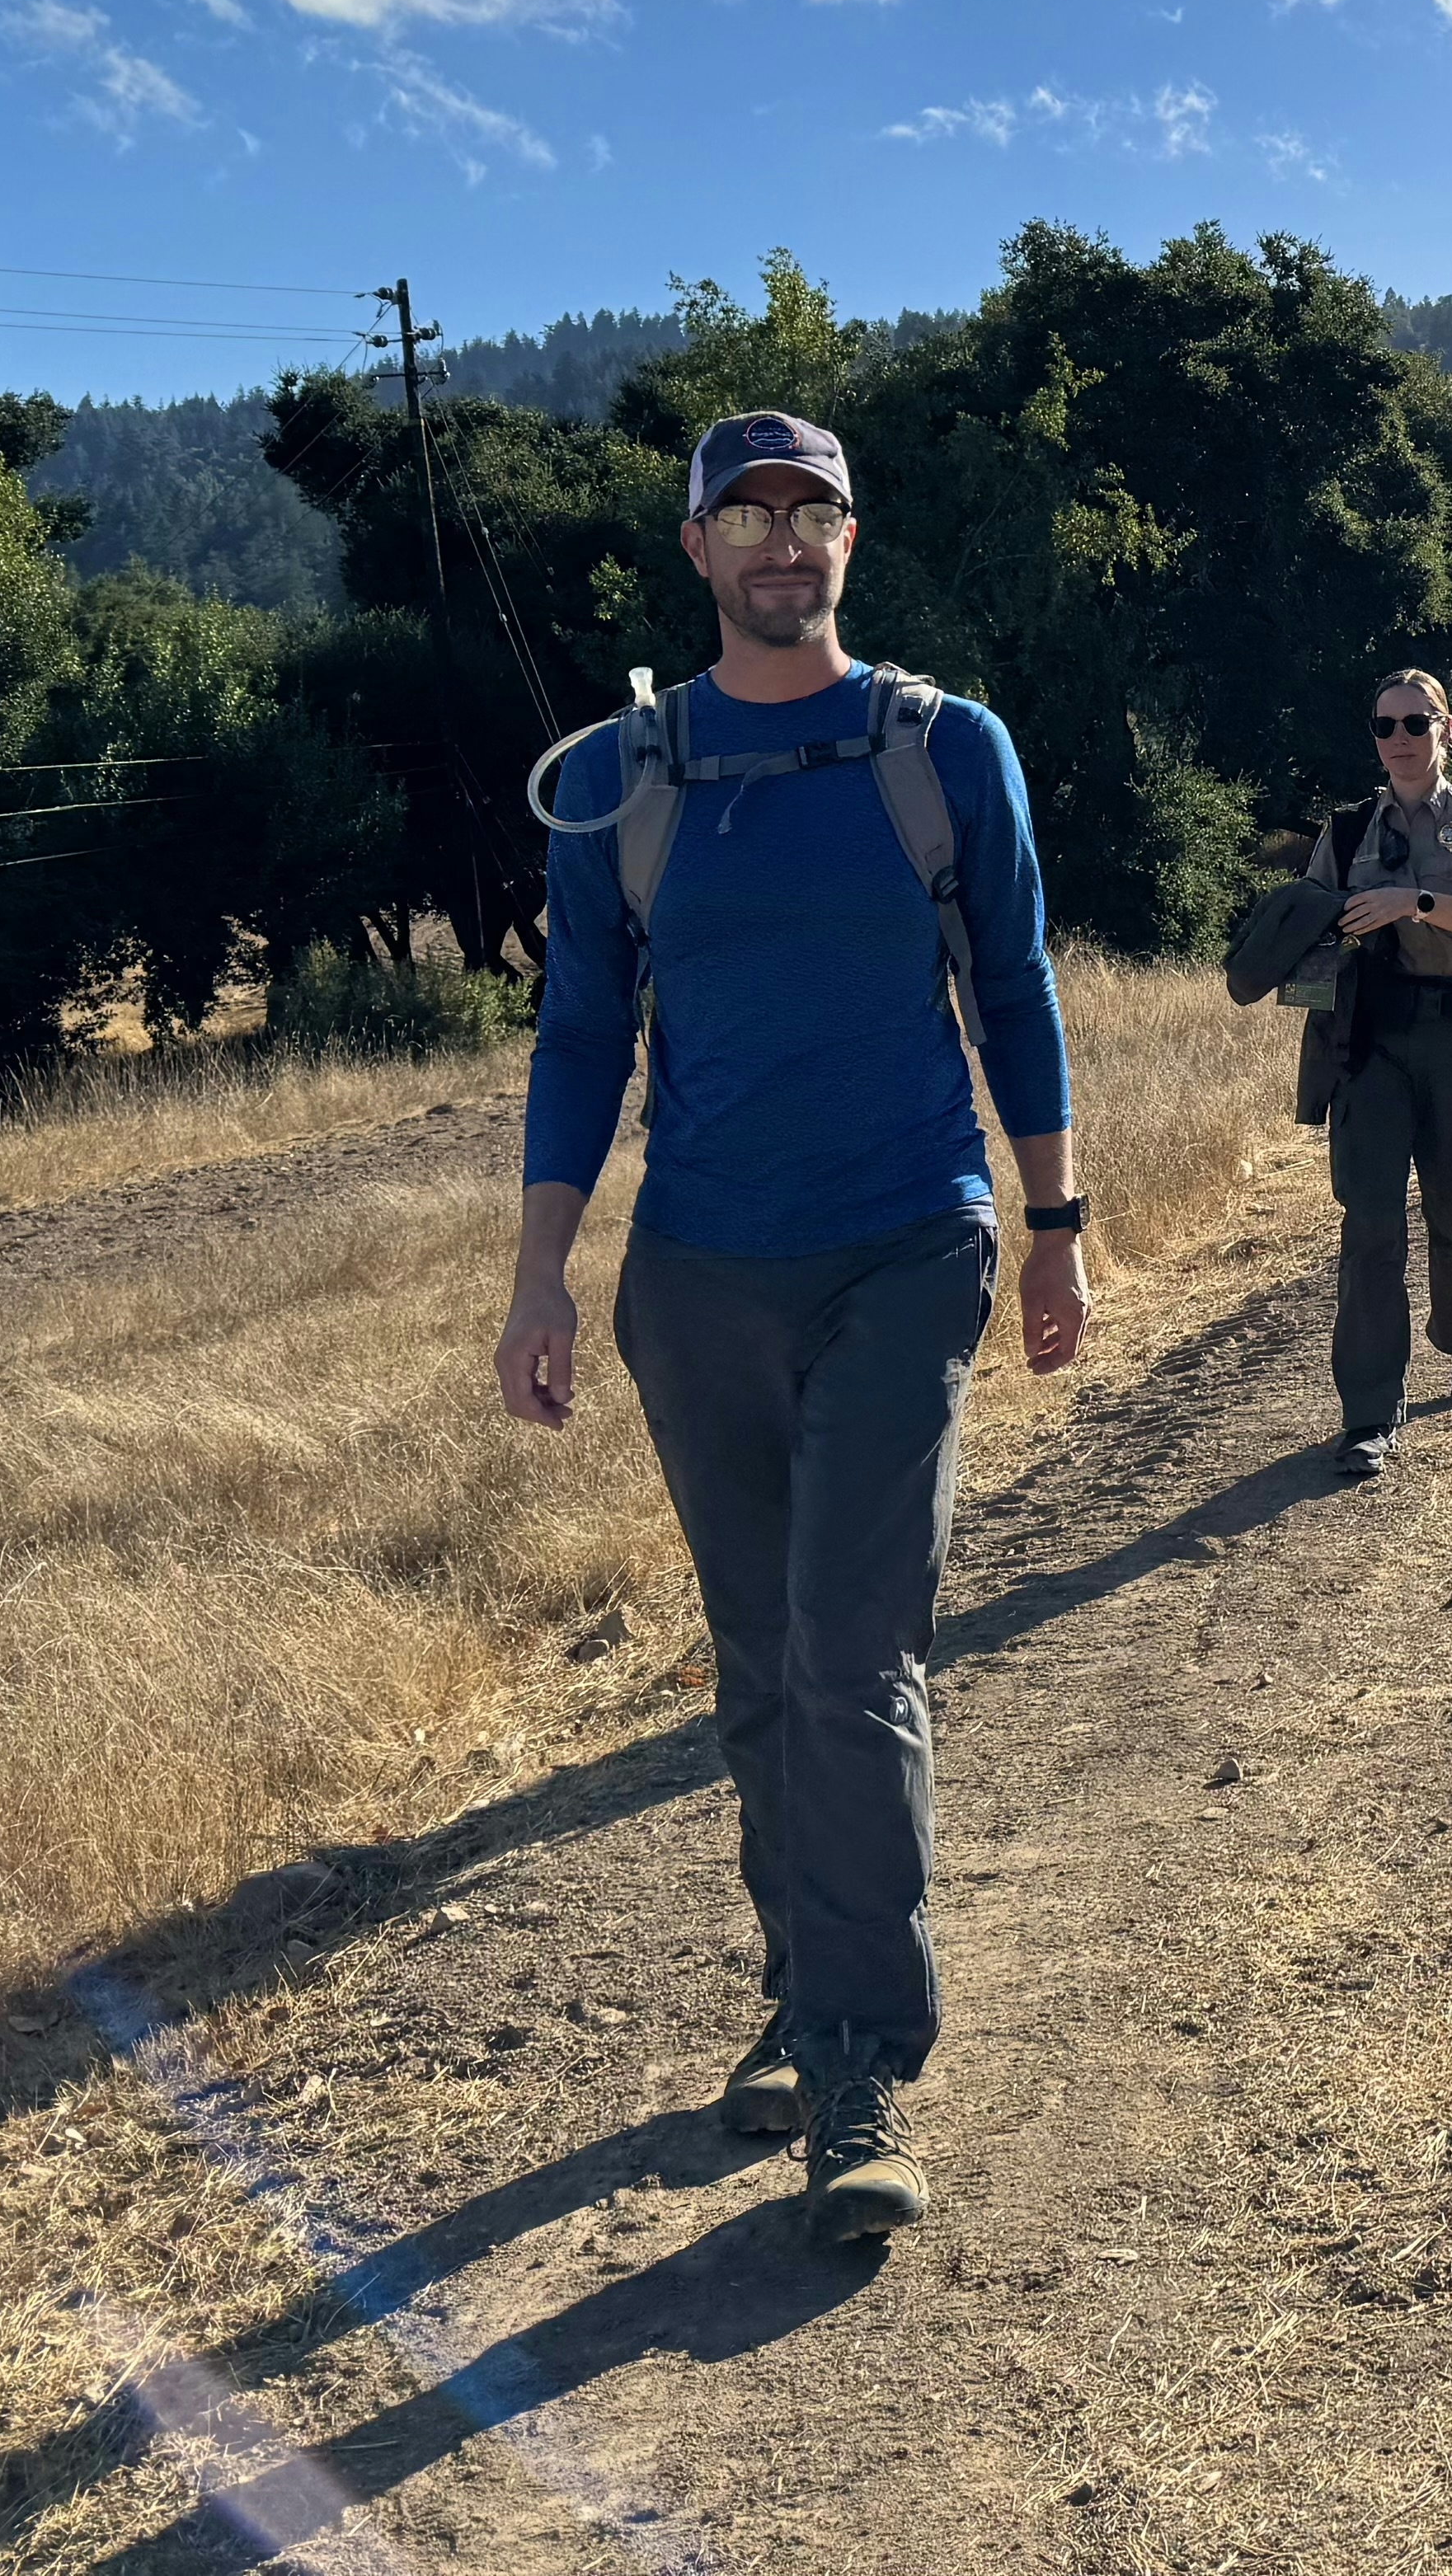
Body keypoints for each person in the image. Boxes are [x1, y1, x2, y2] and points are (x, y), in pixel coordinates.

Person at [493, 408, 1087, 2245]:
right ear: (694, 549)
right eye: (743, 513)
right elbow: (583, 1036)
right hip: (698, 1273)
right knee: (759, 1665)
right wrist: (542, 1276)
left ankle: (860, 2065)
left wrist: (1054, 1224)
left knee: (850, 1654)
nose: (778, 541)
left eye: (808, 510)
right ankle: (799, 1976)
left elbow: (1015, 985)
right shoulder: (619, 777)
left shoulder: (942, 749)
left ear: (851, 538)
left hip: (909, 1245)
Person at [1313, 667, 1452, 1477]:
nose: (1400, 739)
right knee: (1369, 1224)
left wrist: (1416, 902)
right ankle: (1370, 1413)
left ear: (1447, 730)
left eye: (1416, 723)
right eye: (1385, 725)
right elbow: (1306, 939)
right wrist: (1309, 967)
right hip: (1370, 1046)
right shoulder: (1341, 833)